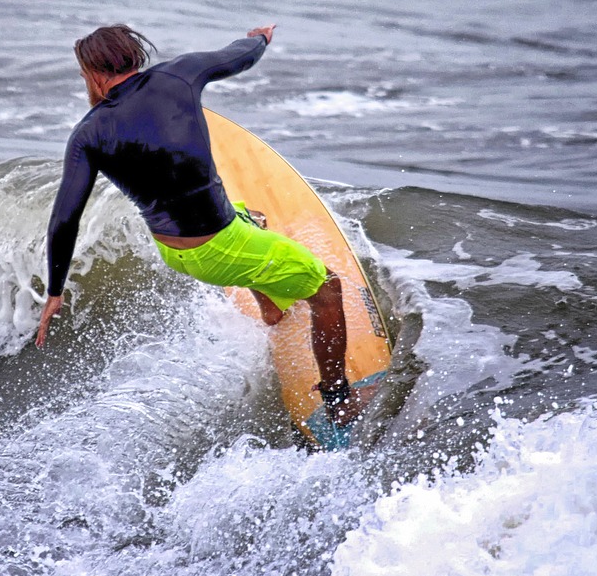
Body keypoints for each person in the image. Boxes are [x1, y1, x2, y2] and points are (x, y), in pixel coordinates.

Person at [35, 24, 357, 427]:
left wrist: (54, 291)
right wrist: (260, 38)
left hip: (175, 251)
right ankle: (339, 399)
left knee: (251, 216)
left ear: (91, 72)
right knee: (328, 290)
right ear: (135, 54)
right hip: (218, 247)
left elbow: (65, 217)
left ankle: (271, 308)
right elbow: (240, 56)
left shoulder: (87, 133)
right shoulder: (178, 75)